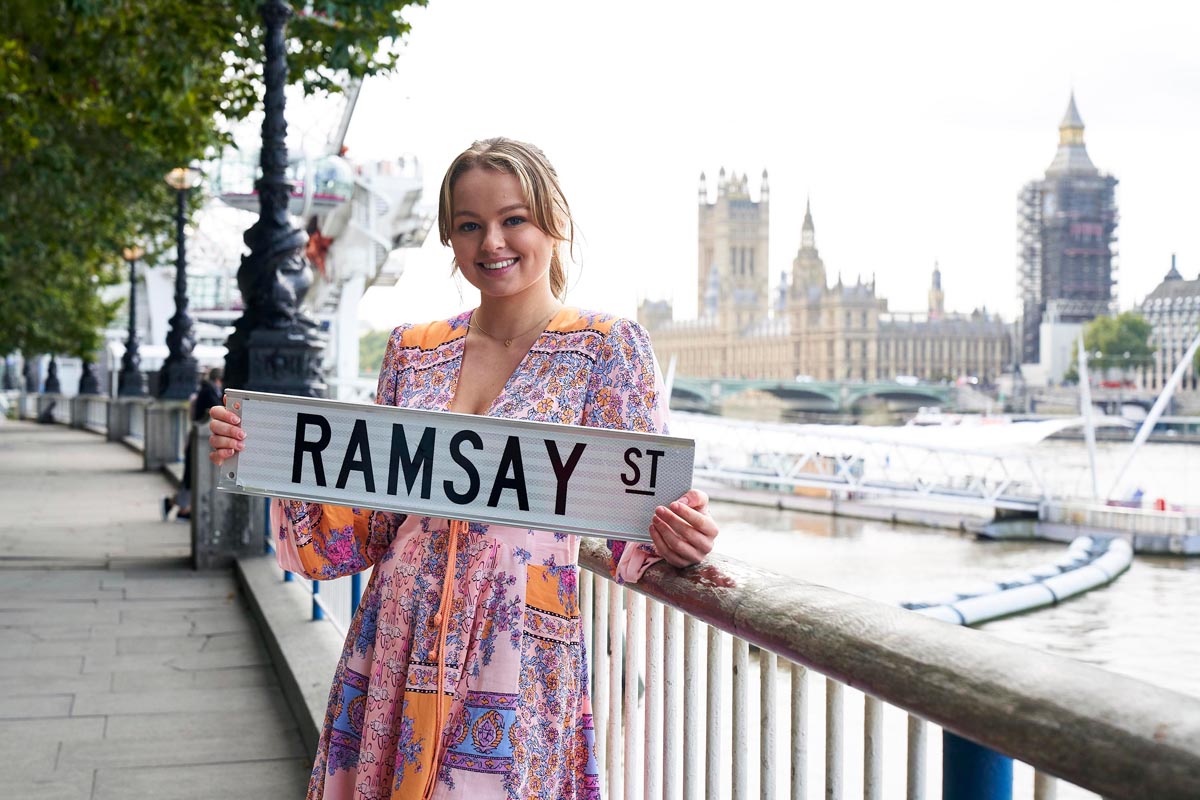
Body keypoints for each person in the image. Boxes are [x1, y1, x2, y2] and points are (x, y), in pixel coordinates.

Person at [208, 138, 719, 799]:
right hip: (398, 640)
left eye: (514, 219)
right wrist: (264, 454)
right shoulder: (413, 350)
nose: (492, 242)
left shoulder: (607, 349)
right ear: (450, 238)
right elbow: (371, 524)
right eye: (470, 225)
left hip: (517, 658)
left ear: (554, 221)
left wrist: (680, 536)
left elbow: (633, 520)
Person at [164, 367, 223, 520]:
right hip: (201, 438)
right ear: (218, 380)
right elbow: (217, 411)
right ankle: (177, 507)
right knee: (192, 477)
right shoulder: (209, 392)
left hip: (197, 437)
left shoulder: (205, 390)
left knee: (190, 477)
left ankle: (178, 508)